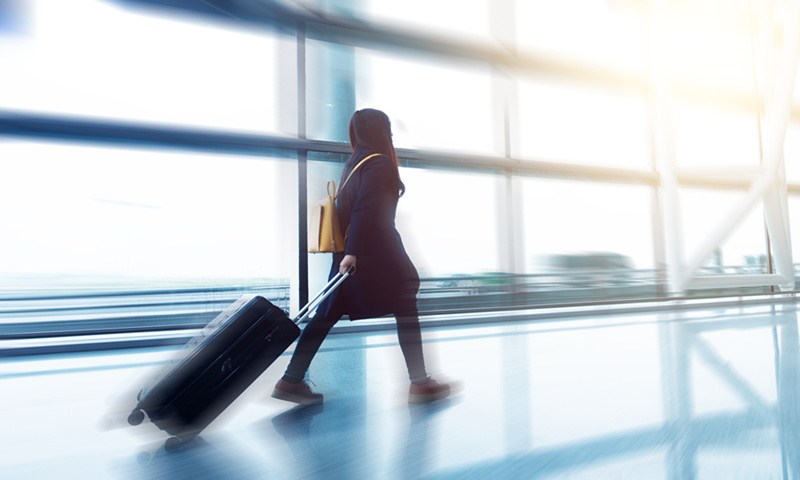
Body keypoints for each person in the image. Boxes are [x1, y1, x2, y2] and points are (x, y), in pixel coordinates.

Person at [272, 108, 451, 405]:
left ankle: (291, 379)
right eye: (389, 128)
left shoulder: (354, 164)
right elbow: (364, 210)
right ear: (381, 131)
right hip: (374, 253)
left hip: (350, 253)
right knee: (406, 306)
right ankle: (420, 383)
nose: (392, 134)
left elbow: (350, 209)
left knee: (325, 316)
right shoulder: (379, 163)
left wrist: (347, 253)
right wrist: (353, 253)